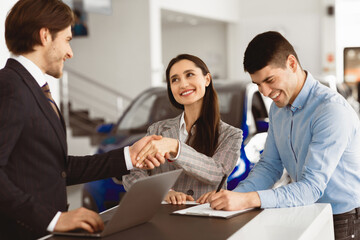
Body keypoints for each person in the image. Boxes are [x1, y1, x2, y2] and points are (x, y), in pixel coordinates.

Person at [0, 0, 165, 239]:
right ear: (45, 35)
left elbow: (59, 168)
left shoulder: (31, 88)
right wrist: (53, 219)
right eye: (67, 40)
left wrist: (129, 155)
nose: (70, 52)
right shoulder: (10, 87)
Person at [198, 31, 360, 240]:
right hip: (306, 209)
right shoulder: (278, 109)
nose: (264, 92)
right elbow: (270, 166)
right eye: (258, 84)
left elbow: (311, 187)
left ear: (291, 63)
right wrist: (233, 196)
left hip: (343, 219)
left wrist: (248, 200)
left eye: (269, 80)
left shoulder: (330, 110)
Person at [122, 54, 242, 204]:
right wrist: (161, 192)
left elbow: (217, 173)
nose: (183, 84)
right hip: (161, 218)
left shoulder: (231, 135)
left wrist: (176, 147)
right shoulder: (157, 130)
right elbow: (132, 174)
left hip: (206, 219)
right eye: (175, 79)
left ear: (207, 79)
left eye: (189, 75)